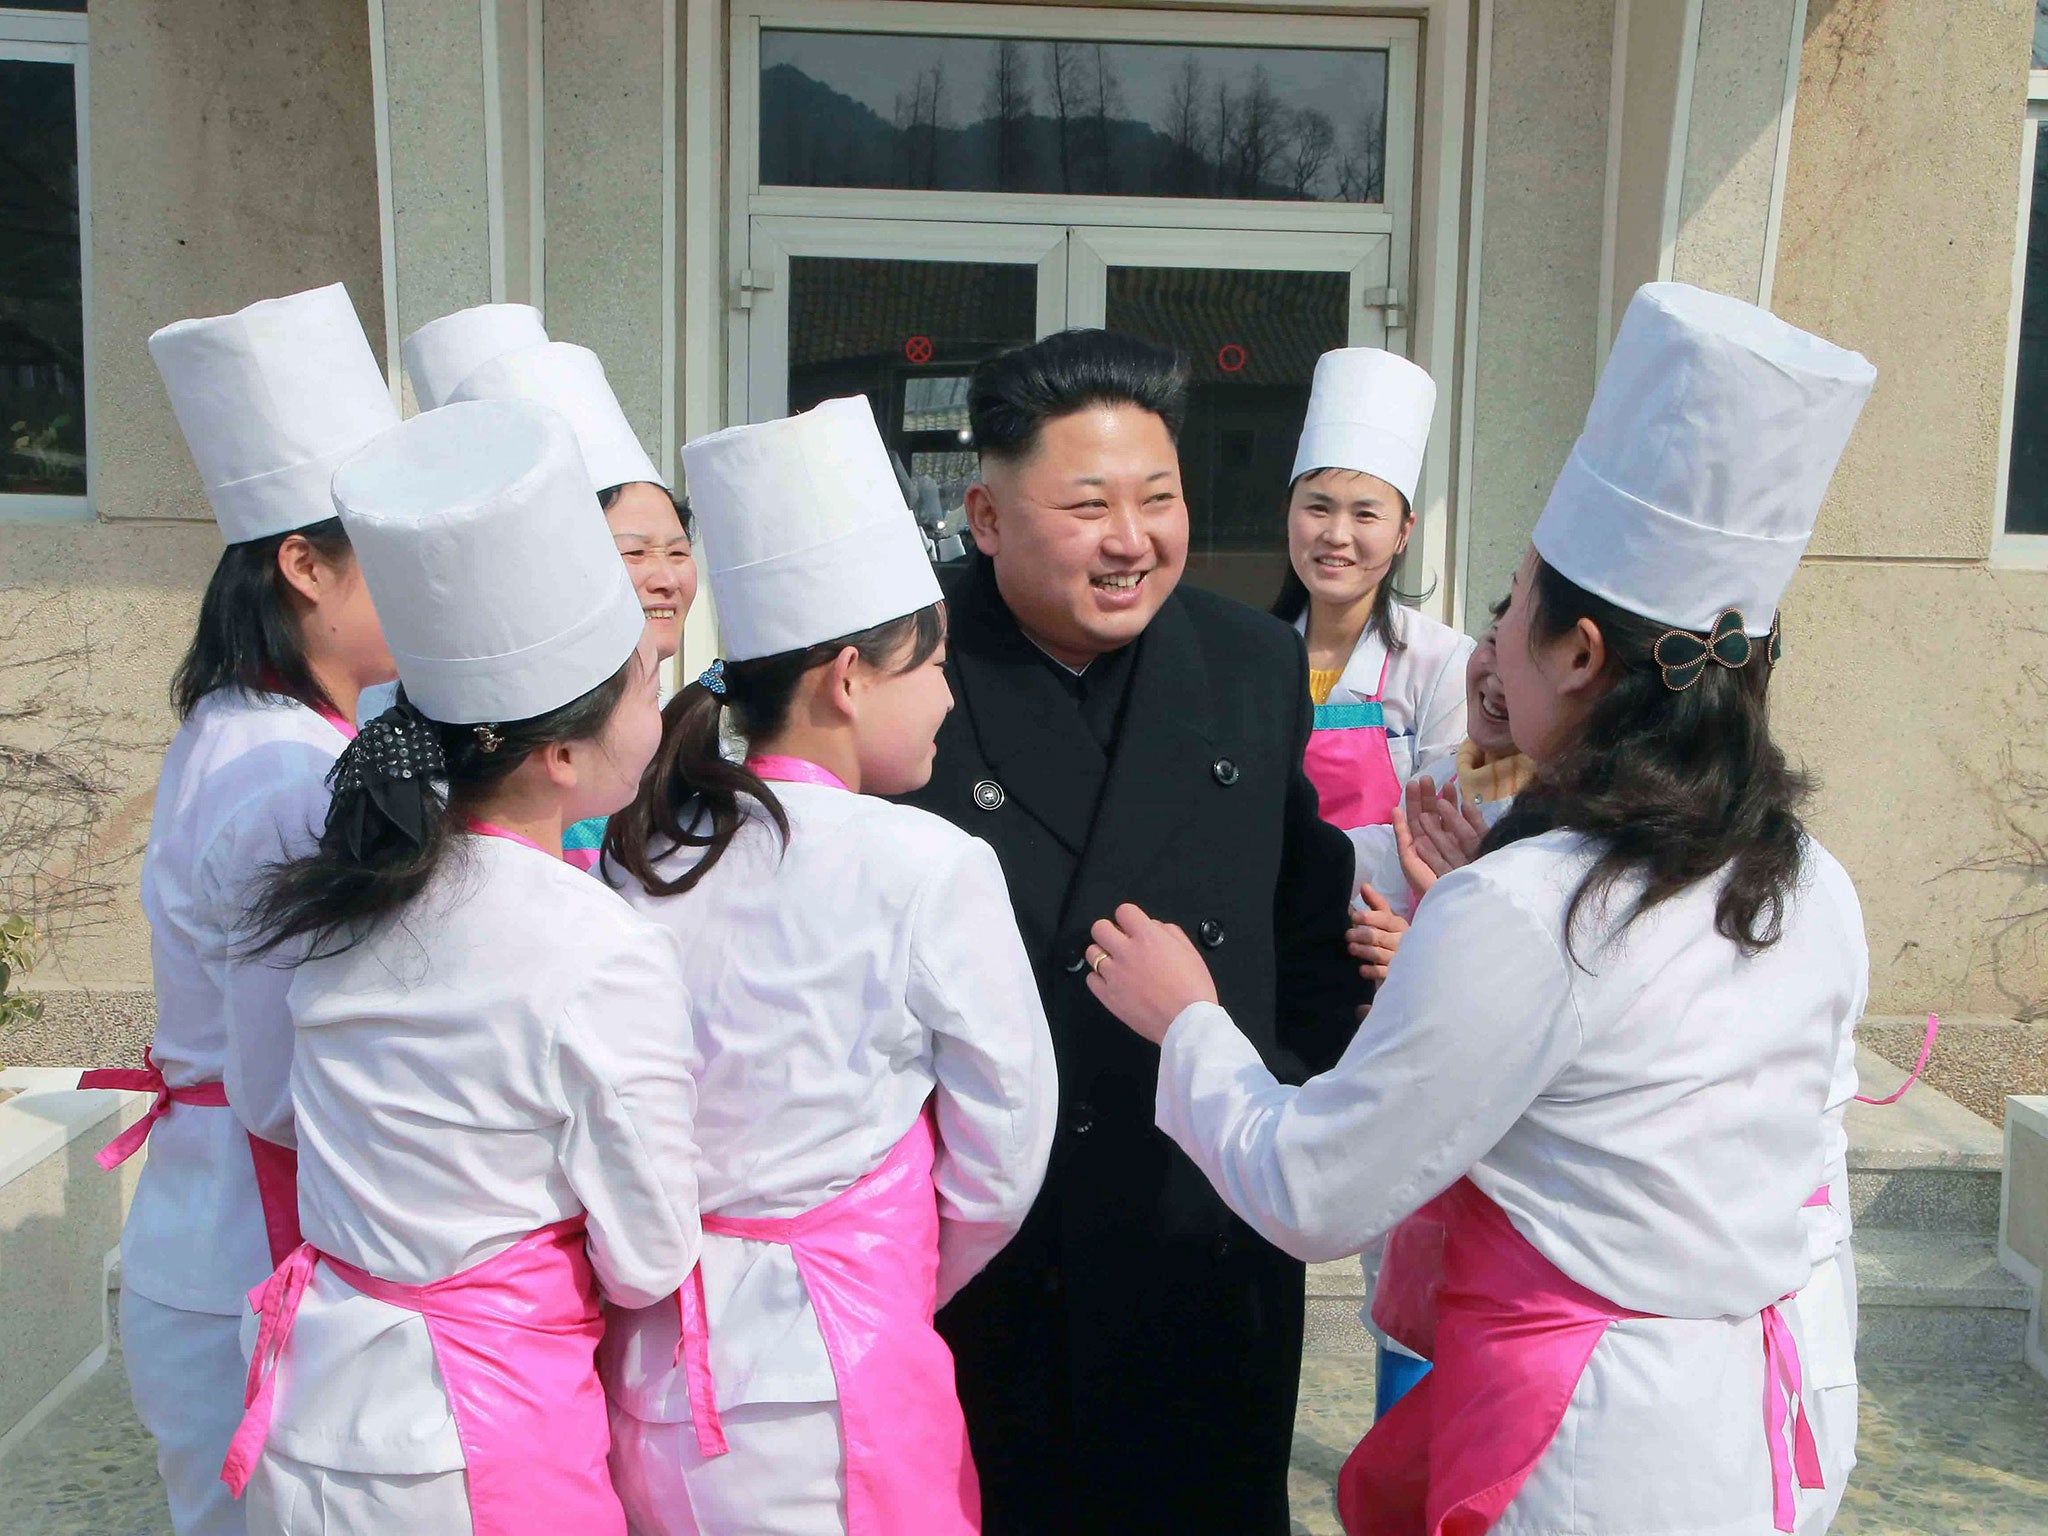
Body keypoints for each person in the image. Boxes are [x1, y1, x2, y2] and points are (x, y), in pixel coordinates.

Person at [1080, 283, 1874, 1536]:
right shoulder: (1806, 876)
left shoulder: (1525, 904)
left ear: (1575, 656)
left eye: (1515, 607)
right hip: (1734, 1427)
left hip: (1586, 1450)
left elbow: (1313, 1186)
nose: (1493, 641)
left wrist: (1189, 1021)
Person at [899, 329, 1365, 1534]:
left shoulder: (1249, 659)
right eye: (1088, 504)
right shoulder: (908, 671)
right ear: (986, 516)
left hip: (1201, 1238)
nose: (1133, 540)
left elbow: (1300, 925)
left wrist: (1282, 1118)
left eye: (1159, 500)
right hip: (994, 1260)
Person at [223, 397, 702, 1534]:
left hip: (319, 1396)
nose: (659, 702)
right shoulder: (595, 946)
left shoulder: (353, 895)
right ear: (561, 756)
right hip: (482, 1426)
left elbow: (278, 1110)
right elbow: (647, 1256)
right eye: (640, 685)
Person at [597, 395, 1058, 1536]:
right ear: (849, 678)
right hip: (838, 1371)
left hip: (659, 1363)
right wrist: (883, 1261)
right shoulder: (929, 862)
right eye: (933, 666)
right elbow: (1006, 1146)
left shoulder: (649, 851)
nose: (950, 695)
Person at [73, 284, 398, 1536]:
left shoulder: (248, 731)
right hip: (246, 1243)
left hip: (212, 1234)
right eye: (391, 553)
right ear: (304, 565)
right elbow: (274, 1086)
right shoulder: (284, 775)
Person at [398, 304, 697, 870]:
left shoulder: (705, 685)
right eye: (633, 552)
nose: (666, 578)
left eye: (679, 551)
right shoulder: (497, 753)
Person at [1276, 348, 1471, 835]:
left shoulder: (1443, 665)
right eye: (1318, 508)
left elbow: (1444, 826)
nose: (1336, 535)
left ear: (1404, 531)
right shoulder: (1249, 653)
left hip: (1385, 909)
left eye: (1365, 514)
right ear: (1289, 512)